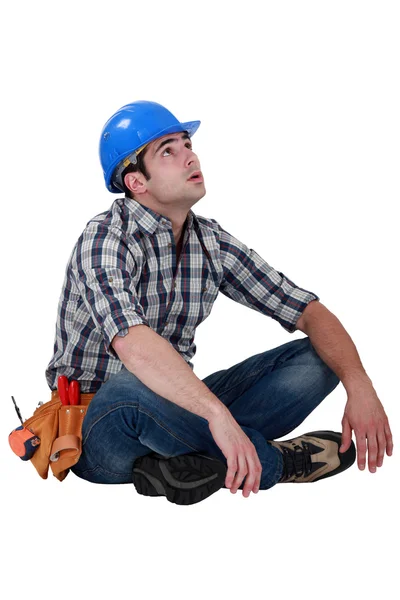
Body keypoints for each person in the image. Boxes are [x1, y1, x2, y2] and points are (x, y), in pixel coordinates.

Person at [45, 100, 394, 505]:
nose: (190, 155)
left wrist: (360, 384)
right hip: (101, 426)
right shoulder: (104, 238)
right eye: (168, 151)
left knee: (322, 356)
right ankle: (276, 462)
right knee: (131, 390)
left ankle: (186, 465)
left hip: (181, 409)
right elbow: (133, 345)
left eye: (186, 143)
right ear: (136, 182)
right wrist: (217, 416)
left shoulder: (211, 242)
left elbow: (309, 311)